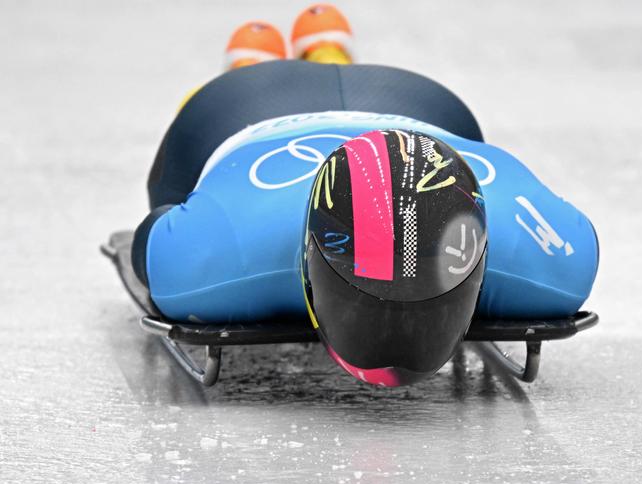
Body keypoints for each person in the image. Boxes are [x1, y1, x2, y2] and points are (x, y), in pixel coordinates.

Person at [131, 5, 598, 383]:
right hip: (391, 103)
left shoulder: (214, 260)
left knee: (175, 187)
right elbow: (157, 234)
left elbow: (151, 232)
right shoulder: (551, 262)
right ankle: (304, 53)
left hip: (253, 101)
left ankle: (261, 62)